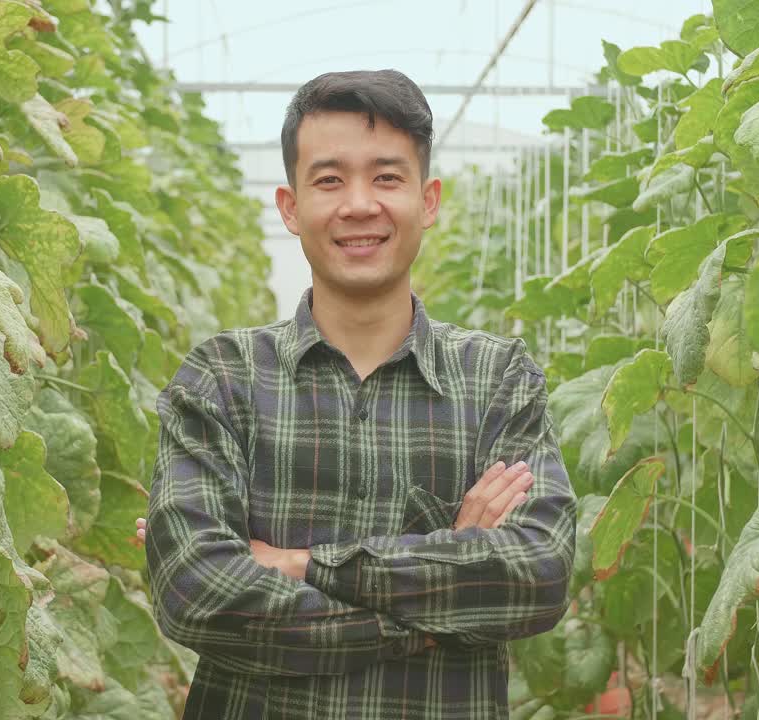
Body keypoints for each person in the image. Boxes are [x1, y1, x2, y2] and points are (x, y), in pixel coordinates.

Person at [133, 69, 578, 719]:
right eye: (330, 179)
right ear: (290, 206)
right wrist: (428, 611)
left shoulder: (497, 380)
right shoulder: (223, 377)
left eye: (387, 177)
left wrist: (295, 562)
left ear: (428, 201)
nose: (360, 204)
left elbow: (537, 575)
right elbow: (195, 589)